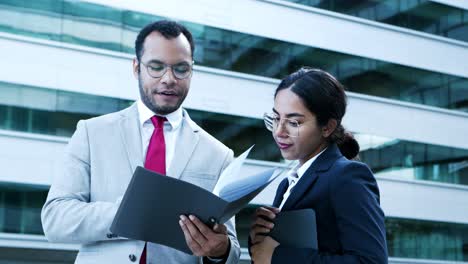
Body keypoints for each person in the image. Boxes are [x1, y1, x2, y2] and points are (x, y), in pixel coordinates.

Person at [41, 20, 240, 264]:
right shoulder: (92, 133)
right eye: (156, 67)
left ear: (192, 70)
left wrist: (220, 250)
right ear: (136, 68)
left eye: (181, 69)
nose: (169, 79)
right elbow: (55, 219)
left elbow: (230, 250)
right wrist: (128, 212)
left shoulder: (219, 155)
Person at [248, 68, 388, 263]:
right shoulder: (287, 185)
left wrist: (278, 256)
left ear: (327, 127)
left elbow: (371, 261)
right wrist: (261, 237)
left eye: (294, 122)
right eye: (276, 118)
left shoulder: (348, 177)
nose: (279, 131)